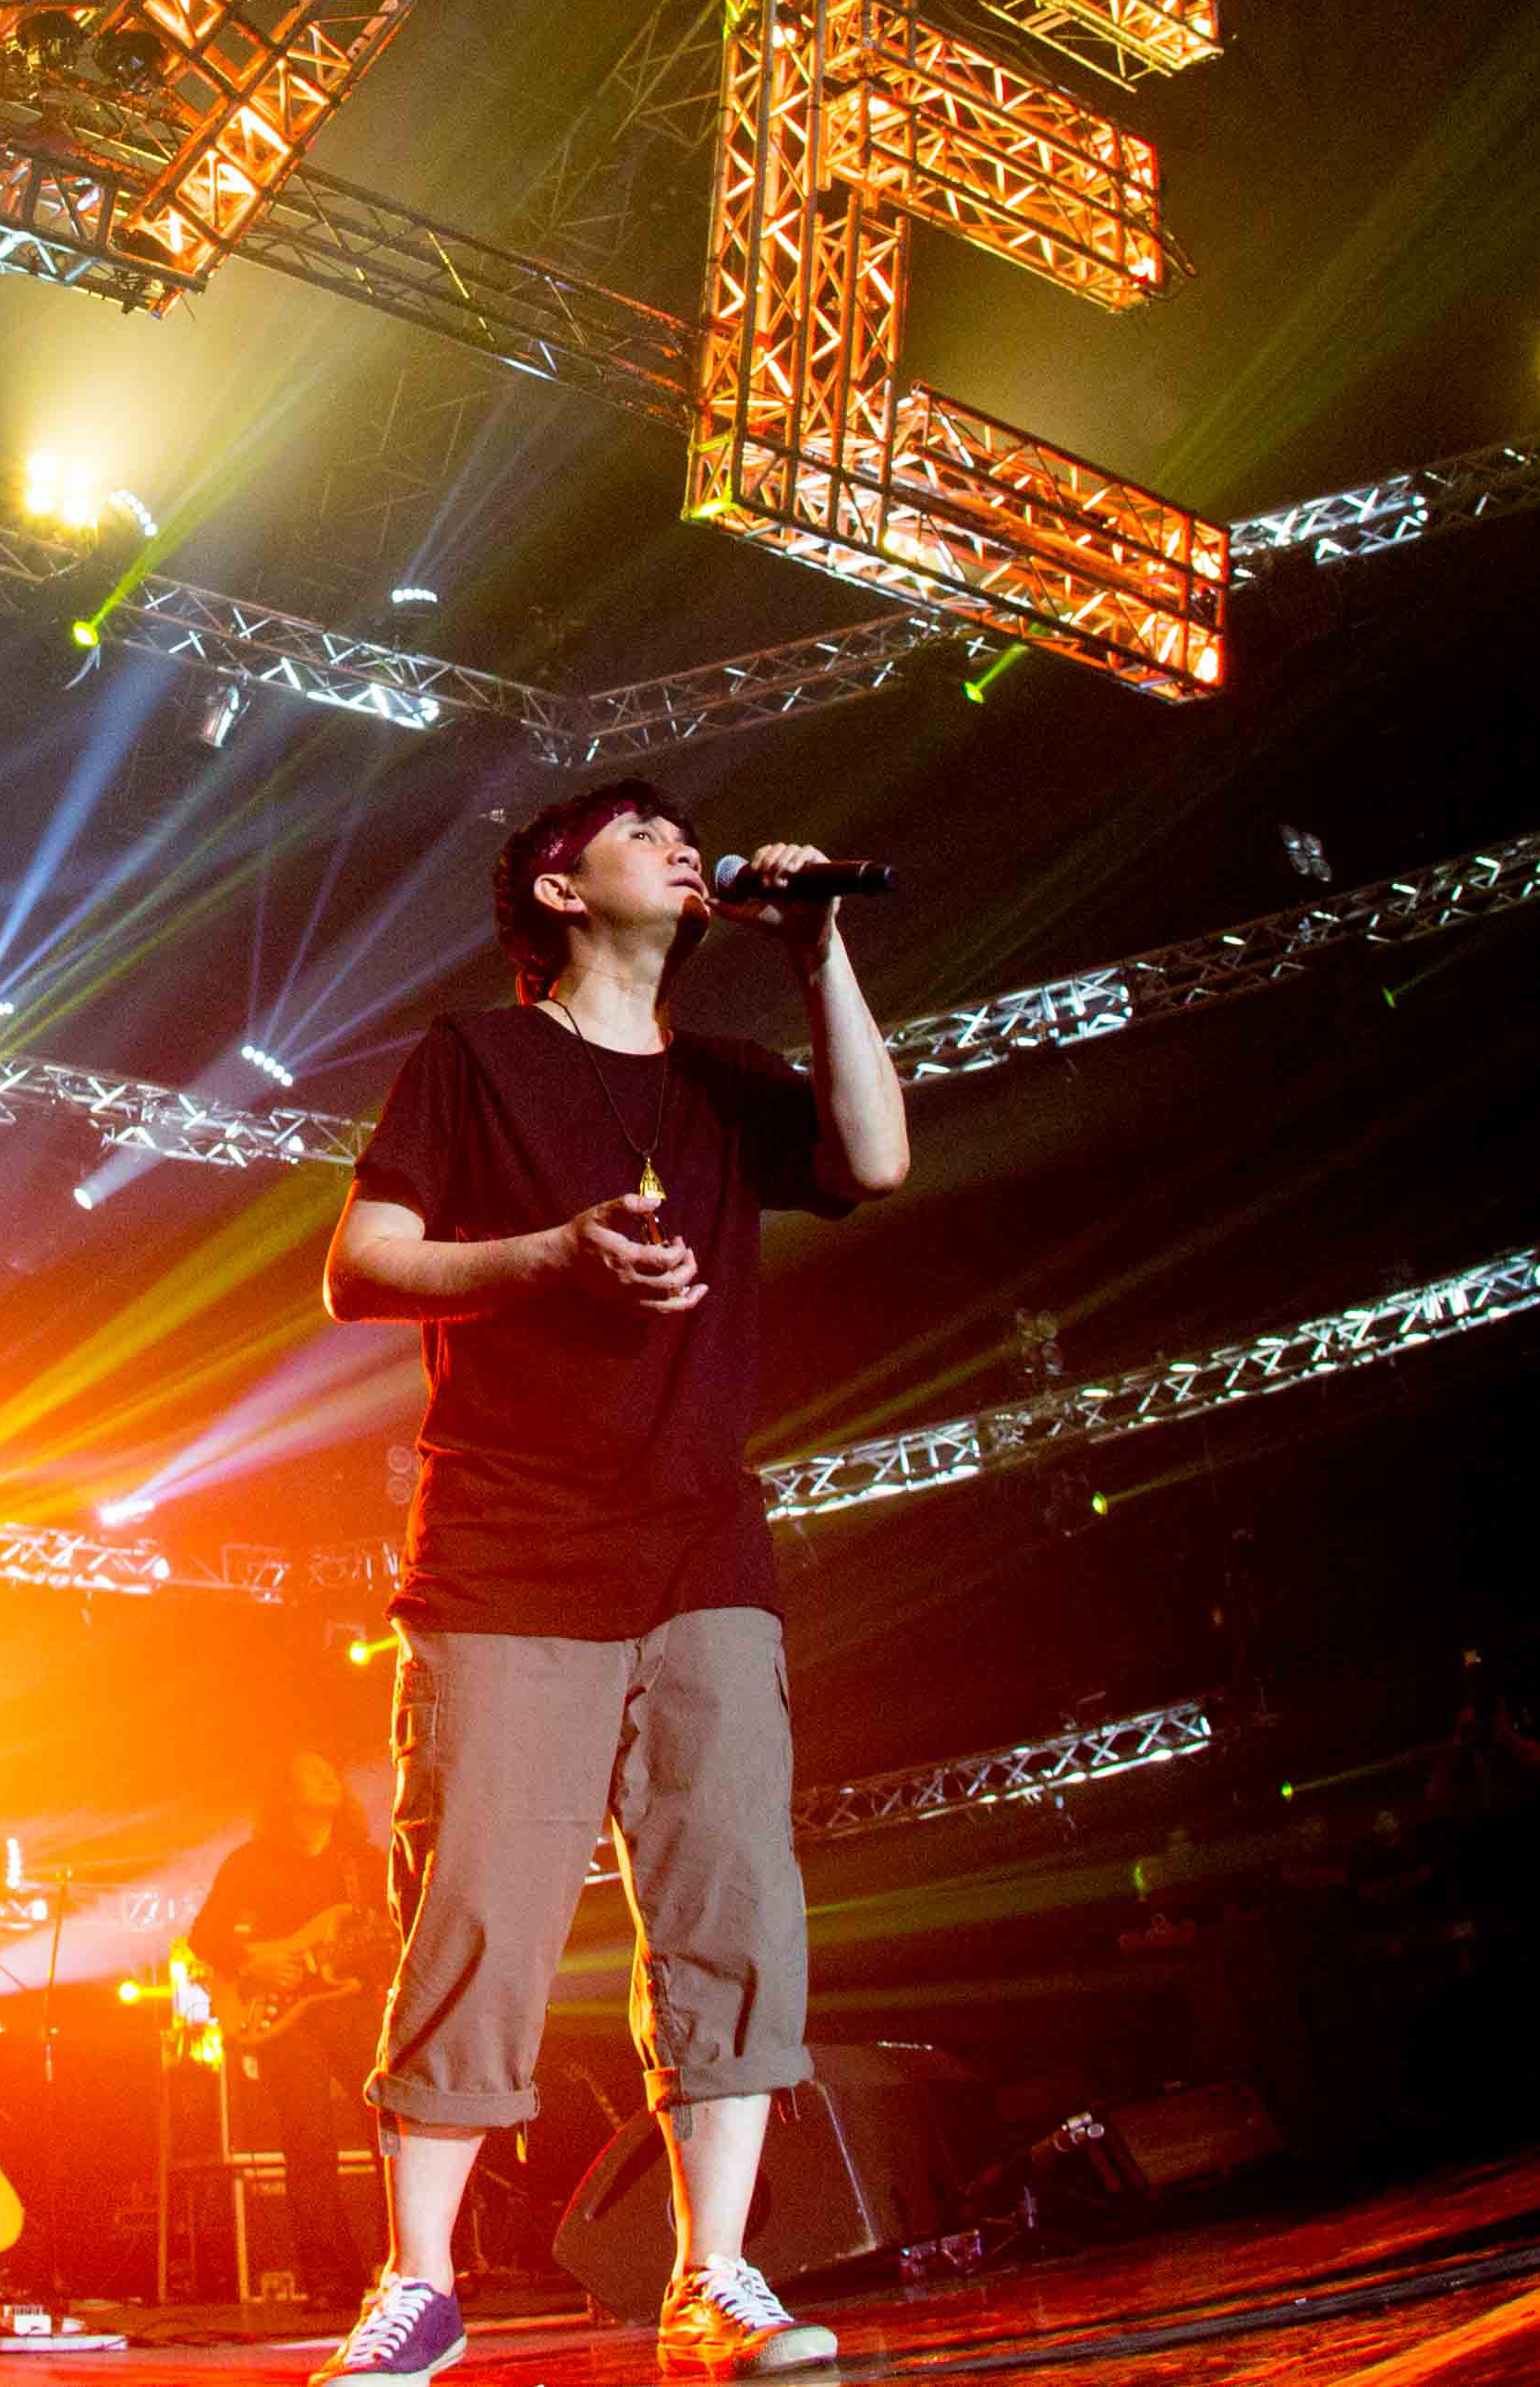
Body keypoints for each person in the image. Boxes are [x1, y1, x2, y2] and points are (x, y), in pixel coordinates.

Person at [309, 781, 905, 2385]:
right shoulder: (473, 1057)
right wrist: (551, 1254)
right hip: (507, 1546)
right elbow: (357, 1267)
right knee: (479, 1912)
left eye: (685, 834)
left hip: (702, 1546)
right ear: (562, 892)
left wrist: (815, 948)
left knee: (731, 1903)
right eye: (642, 833)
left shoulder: (728, 1077)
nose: (683, 845)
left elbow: (876, 1157)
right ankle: (417, 2284)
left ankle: (714, 2275)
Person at [187, 1748, 394, 2307]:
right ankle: (330, 2278)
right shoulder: (250, 1862)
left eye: (333, 1771)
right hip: (282, 2017)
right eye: (313, 1771)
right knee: (308, 2140)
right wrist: (250, 1965)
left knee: (390, 2126)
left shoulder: (364, 1862)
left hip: (351, 2006)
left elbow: (391, 1931)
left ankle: (407, 2263)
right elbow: (204, 1936)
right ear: (285, 1792)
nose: (330, 1777)